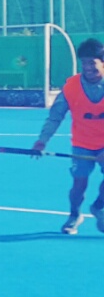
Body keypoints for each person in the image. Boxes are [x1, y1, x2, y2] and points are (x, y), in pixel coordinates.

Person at [33, 36, 104, 234]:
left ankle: (98, 206)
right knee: (79, 183)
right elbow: (55, 116)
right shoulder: (71, 87)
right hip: (82, 143)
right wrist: (42, 141)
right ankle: (74, 215)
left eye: (92, 63)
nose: (88, 68)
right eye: (84, 63)